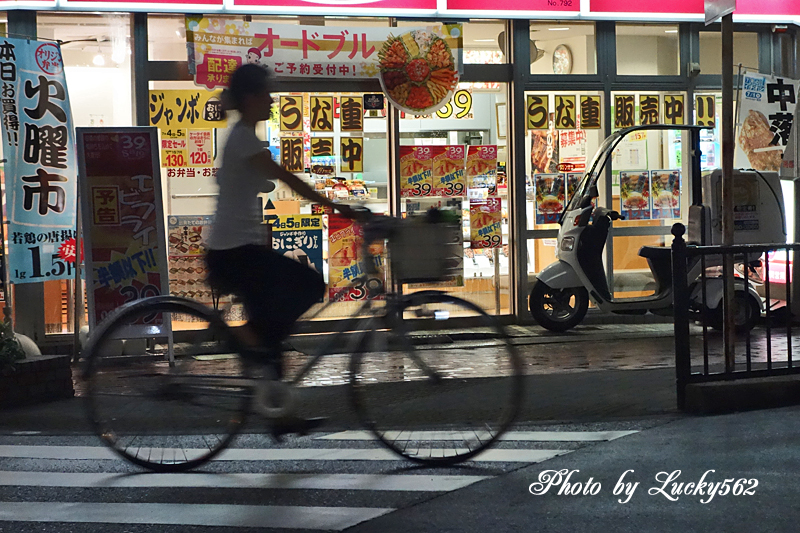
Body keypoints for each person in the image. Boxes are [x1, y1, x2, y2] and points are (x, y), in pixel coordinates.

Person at [204, 63, 356, 436]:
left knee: (272, 330)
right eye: (268, 93)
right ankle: (244, 338)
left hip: (238, 248)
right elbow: (285, 177)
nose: (273, 100)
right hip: (234, 252)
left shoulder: (242, 135)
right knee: (307, 284)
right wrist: (339, 207)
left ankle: (279, 414)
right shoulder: (243, 139)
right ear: (252, 98)